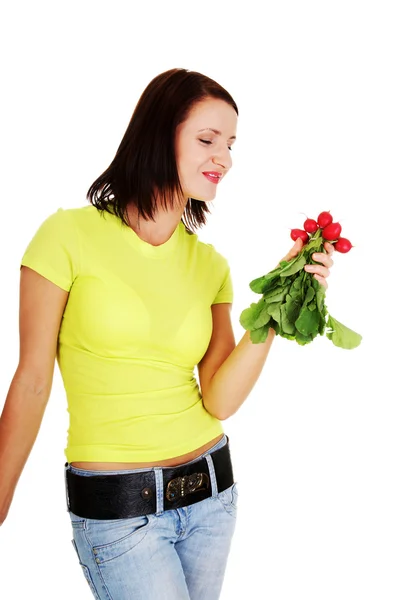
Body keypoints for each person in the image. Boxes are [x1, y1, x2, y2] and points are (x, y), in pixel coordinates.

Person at [0, 67, 334, 599]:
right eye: (207, 140)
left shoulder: (209, 266)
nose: (223, 157)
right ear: (159, 134)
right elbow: (33, 379)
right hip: (120, 513)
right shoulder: (66, 236)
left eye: (230, 144)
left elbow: (220, 397)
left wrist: (278, 302)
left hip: (211, 499)